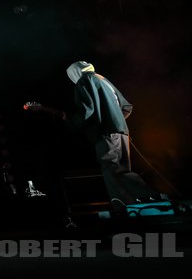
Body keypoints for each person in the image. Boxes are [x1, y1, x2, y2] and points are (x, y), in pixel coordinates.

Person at [64, 61, 162, 213]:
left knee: (112, 168)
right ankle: (127, 206)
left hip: (106, 133)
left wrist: (71, 122)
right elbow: (126, 107)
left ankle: (152, 196)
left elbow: (87, 110)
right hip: (121, 131)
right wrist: (116, 120)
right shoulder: (103, 79)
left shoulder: (84, 81)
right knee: (119, 169)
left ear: (74, 73)